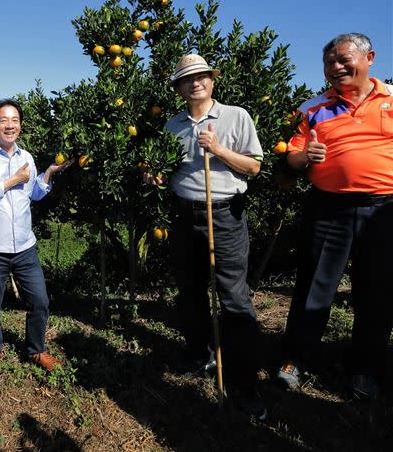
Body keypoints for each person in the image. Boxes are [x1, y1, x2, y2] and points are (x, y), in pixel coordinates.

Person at [277, 33, 393, 400]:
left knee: (377, 292)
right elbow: (290, 158)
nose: (336, 68)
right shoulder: (312, 108)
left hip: (384, 209)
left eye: (344, 59)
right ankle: (296, 358)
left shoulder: (392, 99)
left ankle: (365, 369)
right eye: (329, 62)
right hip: (329, 208)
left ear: (369, 58)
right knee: (315, 287)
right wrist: (303, 156)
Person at [148, 54, 265, 418]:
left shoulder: (236, 116)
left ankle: (245, 384)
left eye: (201, 77)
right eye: (187, 79)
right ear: (179, 88)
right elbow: (169, 172)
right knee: (190, 291)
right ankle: (199, 355)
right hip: (184, 215)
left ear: (212, 81)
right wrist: (156, 178)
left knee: (233, 298)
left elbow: (255, 166)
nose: (195, 82)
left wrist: (218, 150)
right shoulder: (173, 125)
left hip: (224, 214)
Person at [0, 98, 70, 379]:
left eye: (14, 120)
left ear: (20, 126)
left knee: (39, 301)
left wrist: (47, 174)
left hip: (25, 245)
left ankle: (36, 348)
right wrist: (12, 180)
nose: (10, 125)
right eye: (4, 120)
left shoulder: (27, 157)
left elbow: (34, 193)